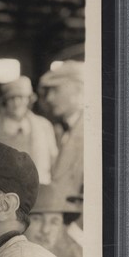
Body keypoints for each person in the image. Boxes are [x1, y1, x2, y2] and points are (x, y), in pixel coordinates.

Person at [0, 76, 58, 184]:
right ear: (5, 101)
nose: (16, 103)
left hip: (40, 187)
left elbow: (54, 161)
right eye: (11, 98)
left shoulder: (44, 125)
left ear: (29, 100)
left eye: (21, 97)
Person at [40, 60, 84, 198]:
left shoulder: (90, 133)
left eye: (56, 90)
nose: (50, 98)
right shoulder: (64, 130)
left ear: (78, 89)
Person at [26, 185, 83, 257]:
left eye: (54, 222)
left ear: (62, 228)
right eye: (36, 219)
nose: (45, 230)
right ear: (22, 222)